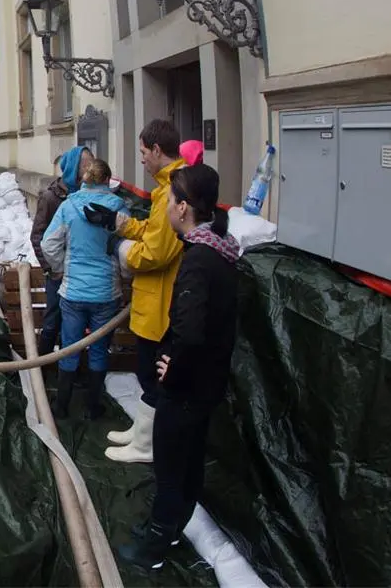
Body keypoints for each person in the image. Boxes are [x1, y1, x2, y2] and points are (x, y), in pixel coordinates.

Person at [119, 163, 241, 569]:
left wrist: (172, 370)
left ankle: (154, 547)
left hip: (186, 390)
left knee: (171, 468)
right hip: (208, 385)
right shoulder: (221, 251)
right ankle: (172, 530)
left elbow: (189, 330)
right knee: (189, 466)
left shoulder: (198, 261)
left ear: (184, 208)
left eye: (171, 201)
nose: (167, 208)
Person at [83, 119, 186, 463]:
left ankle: (147, 444)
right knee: (148, 374)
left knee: (152, 374)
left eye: (143, 152)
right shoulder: (166, 188)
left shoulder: (174, 191)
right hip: (152, 300)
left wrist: (119, 247)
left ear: (157, 150)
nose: (141, 159)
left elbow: (156, 251)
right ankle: (143, 432)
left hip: (161, 304)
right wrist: (117, 223)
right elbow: (152, 230)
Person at [40, 158, 124, 419]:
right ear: (108, 181)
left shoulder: (68, 206)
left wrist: (60, 270)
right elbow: (127, 250)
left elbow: (49, 244)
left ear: (84, 179)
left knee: (70, 346)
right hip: (106, 293)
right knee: (99, 349)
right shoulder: (120, 207)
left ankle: (62, 406)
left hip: (74, 291)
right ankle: (92, 407)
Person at [29, 145, 93, 357]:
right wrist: (51, 268)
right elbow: (37, 236)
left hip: (80, 273)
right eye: (85, 166)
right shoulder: (50, 198)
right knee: (52, 322)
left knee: (77, 326)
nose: (89, 170)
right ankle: (44, 368)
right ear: (74, 168)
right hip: (58, 274)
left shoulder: (88, 195)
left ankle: (72, 370)